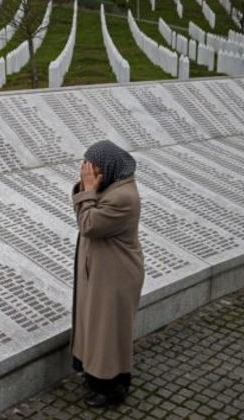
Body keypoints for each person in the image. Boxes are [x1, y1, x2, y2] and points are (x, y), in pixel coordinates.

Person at [71, 140, 145, 408]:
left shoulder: (122, 197)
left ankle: (112, 388)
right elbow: (85, 214)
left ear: (109, 167)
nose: (88, 172)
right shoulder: (112, 186)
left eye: (93, 167)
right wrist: (87, 189)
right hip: (104, 272)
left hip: (116, 276)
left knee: (108, 332)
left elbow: (88, 224)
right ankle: (99, 377)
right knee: (98, 328)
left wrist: (88, 190)